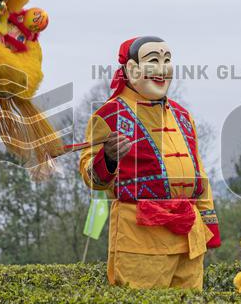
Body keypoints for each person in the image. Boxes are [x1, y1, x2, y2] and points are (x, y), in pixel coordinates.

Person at [79, 36, 220, 289]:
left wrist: (209, 226)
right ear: (131, 70)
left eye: (167, 60)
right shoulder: (109, 115)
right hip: (141, 241)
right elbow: (91, 177)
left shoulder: (182, 115)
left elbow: (199, 172)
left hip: (189, 239)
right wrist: (109, 158)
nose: (163, 68)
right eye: (153, 60)